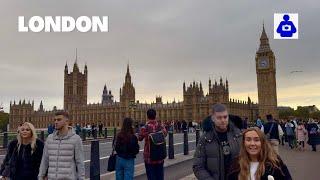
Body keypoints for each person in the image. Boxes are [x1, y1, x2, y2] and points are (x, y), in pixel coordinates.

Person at [193, 103, 242, 180]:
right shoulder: (205, 139)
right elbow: (198, 166)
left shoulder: (238, 135)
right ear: (213, 118)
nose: (223, 120)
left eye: (225, 117)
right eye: (219, 118)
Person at [227, 127, 292, 180]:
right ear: (244, 143)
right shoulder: (236, 164)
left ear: (262, 142)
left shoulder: (275, 163)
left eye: (256, 140)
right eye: (248, 140)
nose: (252, 143)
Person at [38, 111, 85, 180]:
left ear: (66, 121)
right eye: (55, 120)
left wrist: (82, 178)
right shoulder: (50, 138)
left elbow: (80, 162)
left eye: (59, 120)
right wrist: (40, 176)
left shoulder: (76, 139)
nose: (56, 122)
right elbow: (45, 160)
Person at [138, 109, 167, 180]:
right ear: (155, 116)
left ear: (147, 116)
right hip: (160, 155)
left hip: (149, 157)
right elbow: (165, 134)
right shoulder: (161, 126)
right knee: (160, 176)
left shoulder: (144, 127)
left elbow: (139, 138)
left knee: (151, 177)